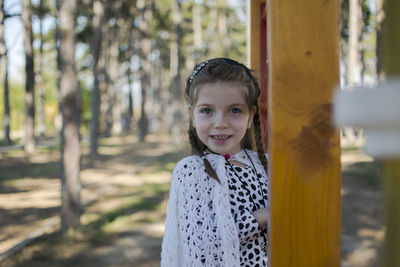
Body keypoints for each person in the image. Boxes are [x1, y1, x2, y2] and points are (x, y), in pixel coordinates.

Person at [161, 58, 269, 267]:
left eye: (235, 110)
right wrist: (258, 218)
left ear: (250, 117)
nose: (220, 123)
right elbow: (201, 248)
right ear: (192, 115)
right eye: (207, 111)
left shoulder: (265, 164)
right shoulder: (192, 171)